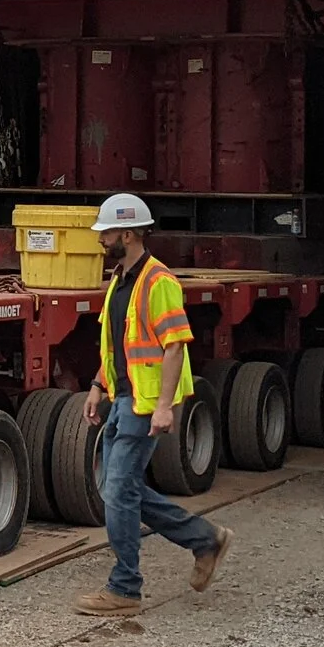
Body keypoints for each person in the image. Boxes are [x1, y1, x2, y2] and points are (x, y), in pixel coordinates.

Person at [73, 192, 233, 616]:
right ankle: (205, 540)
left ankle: (124, 587)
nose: (101, 240)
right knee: (120, 488)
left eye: (107, 233)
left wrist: (163, 407)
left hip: (143, 405)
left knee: (118, 491)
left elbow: (175, 346)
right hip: (123, 398)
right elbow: (118, 345)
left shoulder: (158, 282)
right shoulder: (120, 281)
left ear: (128, 234)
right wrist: (97, 384)